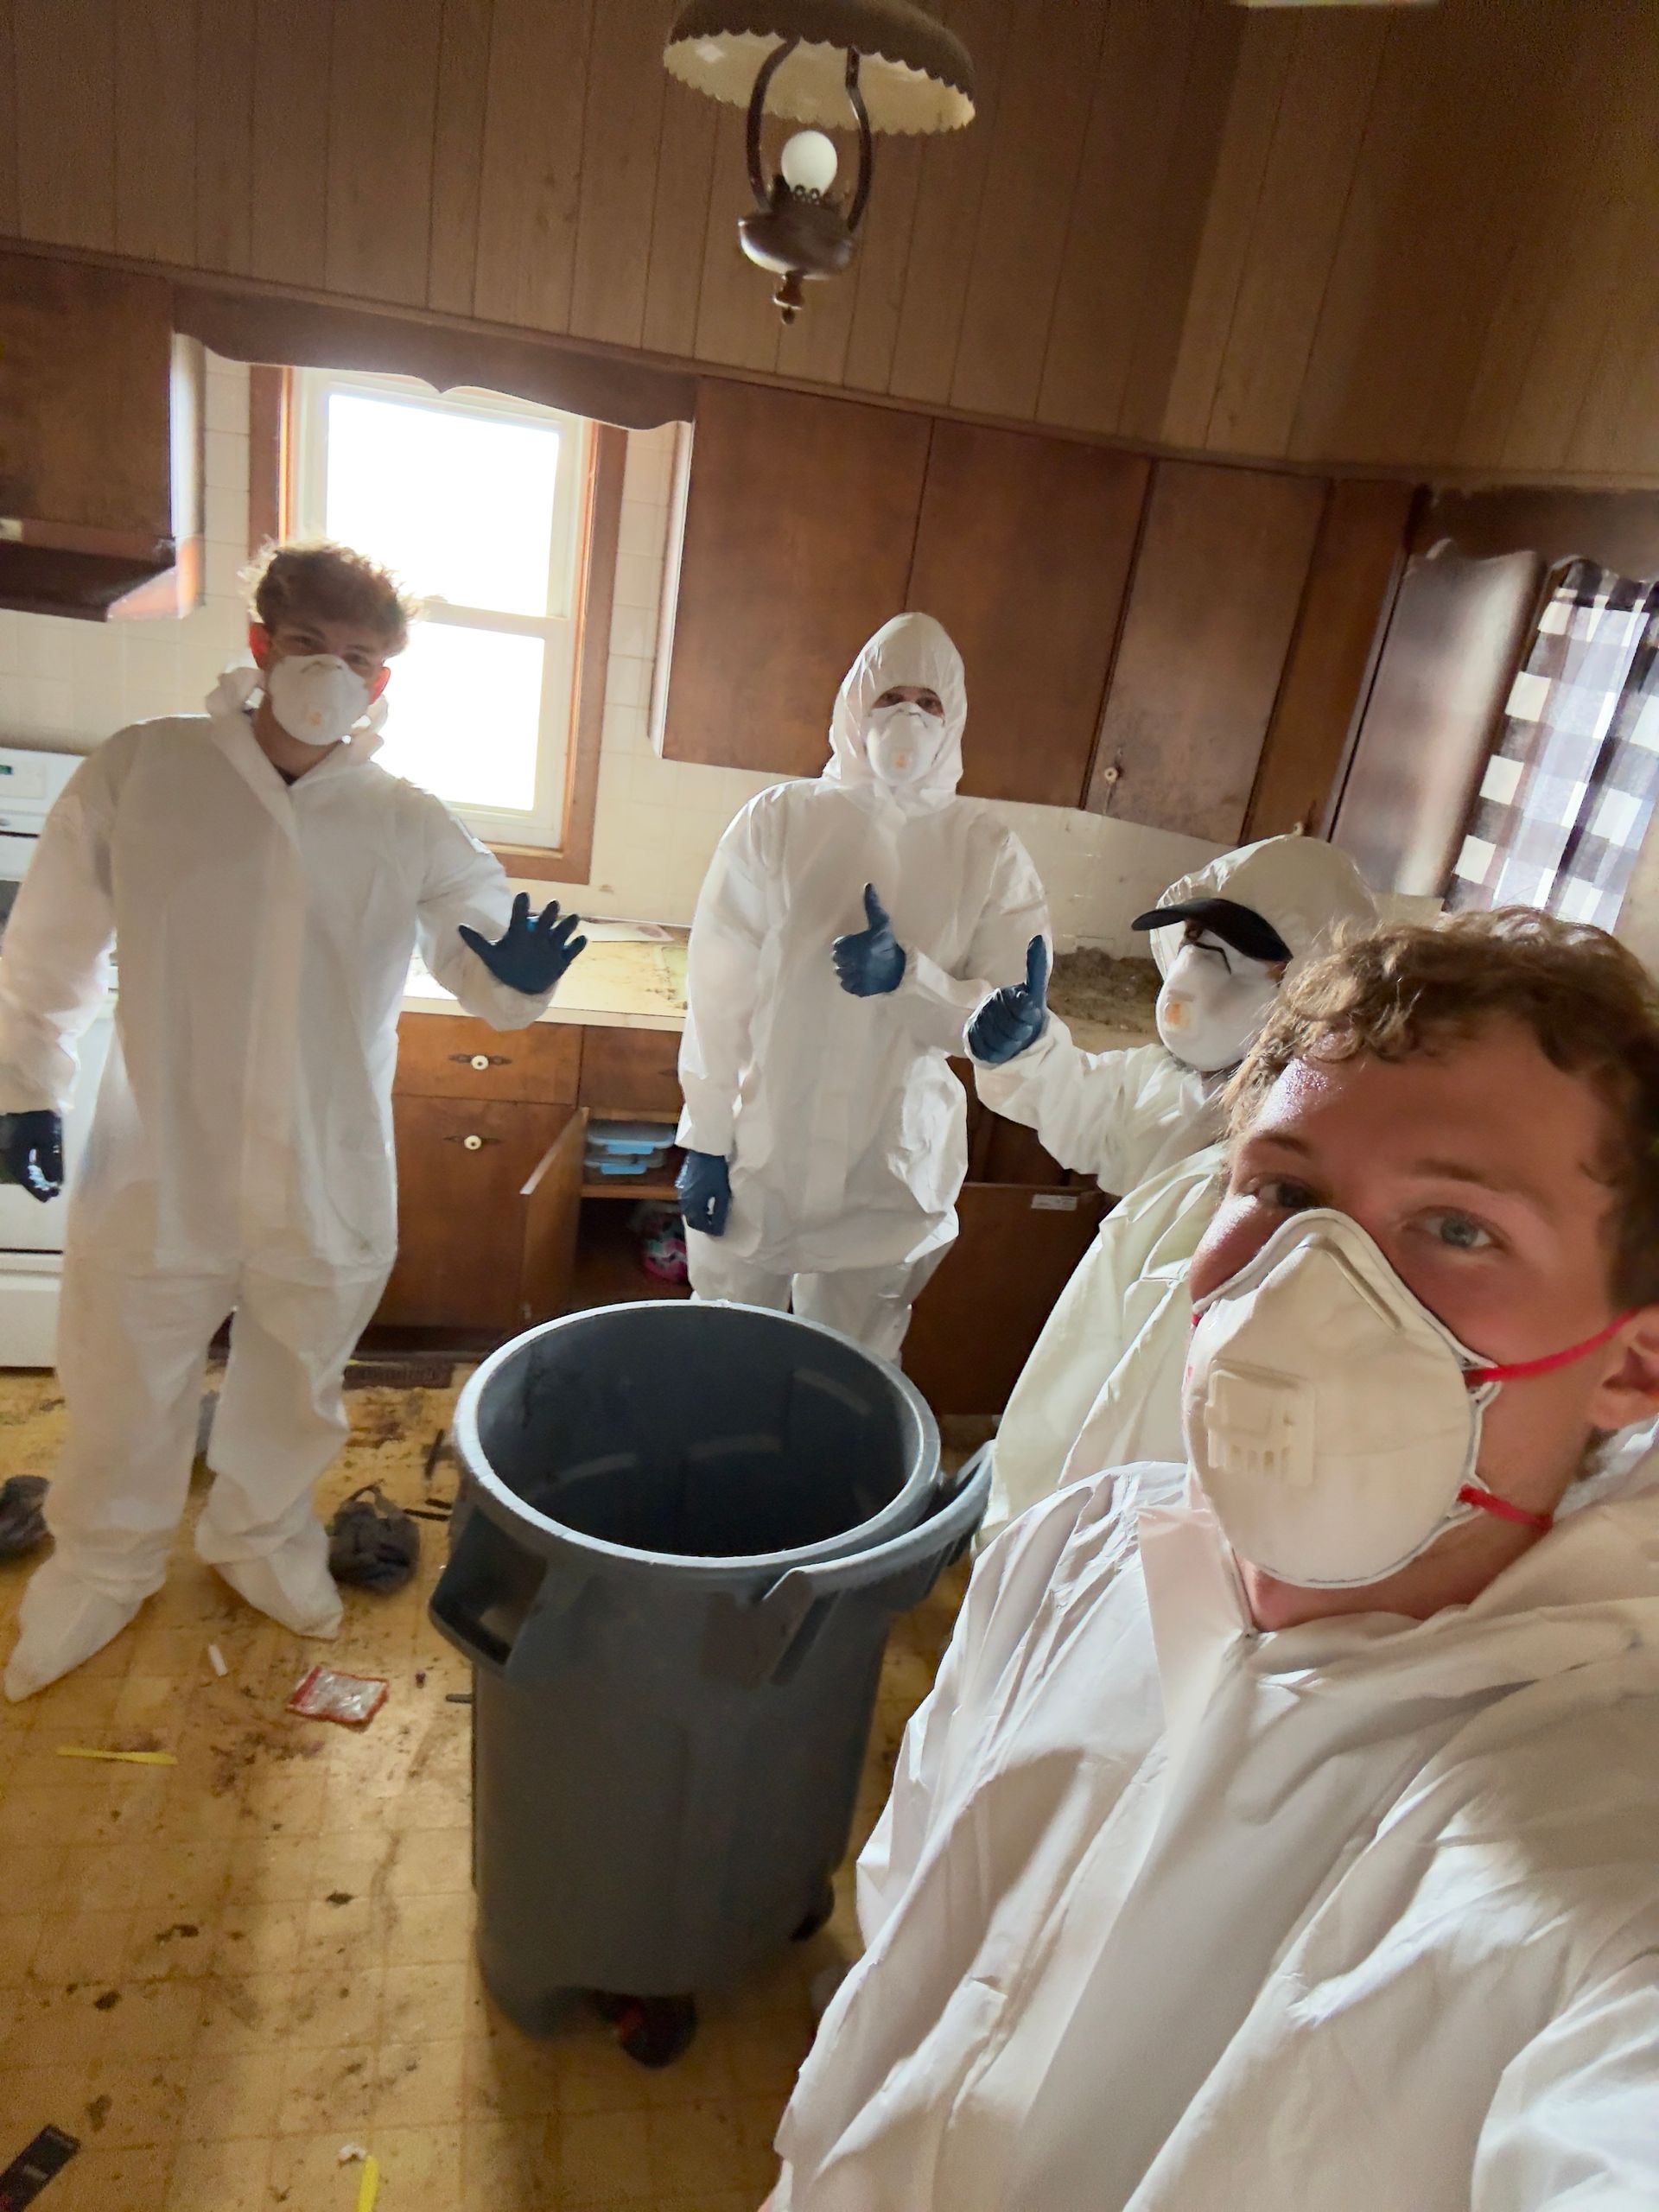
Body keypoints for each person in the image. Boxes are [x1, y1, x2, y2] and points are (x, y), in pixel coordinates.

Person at [769, 910, 1659, 2209]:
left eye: (1457, 1227)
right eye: (1287, 1195)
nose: (1314, 1285)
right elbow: (911, 1919)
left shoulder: (1591, 1866)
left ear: (1632, 1363)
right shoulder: (1078, 1554)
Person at [0, 541, 588, 1700]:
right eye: (310, 643)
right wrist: (23, 1084)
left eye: (359, 655)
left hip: (323, 1172)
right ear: (262, 647)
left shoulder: (407, 820)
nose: (332, 670)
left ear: (386, 682)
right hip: (161, 1158)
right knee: (125, 1378)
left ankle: (261, 1542)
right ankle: (104, 1566)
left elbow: (490, 972)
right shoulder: (146, 772)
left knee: (295, 1383)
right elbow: (49, 953)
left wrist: (521, 978)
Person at [974, 833, 1376, 1541]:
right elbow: (1092, 1117)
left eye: (1240, 953)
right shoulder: (1171, 1082)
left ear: (1317, 980)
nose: (1197, 970)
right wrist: (1029, 1052)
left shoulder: (1323, 1138)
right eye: (1196, 938)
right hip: (1118, 1344)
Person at [675, 613, 1048, 1362]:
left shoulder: (987, 850)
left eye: (929, 702)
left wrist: (919, 985)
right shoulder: (779, 822)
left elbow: (1006, 1013)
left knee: (851, 1370)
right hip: (765, 1148)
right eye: (889, 697)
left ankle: (827, 1480)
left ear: (955, 717)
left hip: (891, 1165)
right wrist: (706, 1140)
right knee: (723, 1351)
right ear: (854, 706)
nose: (907, 717)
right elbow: (718, 996)